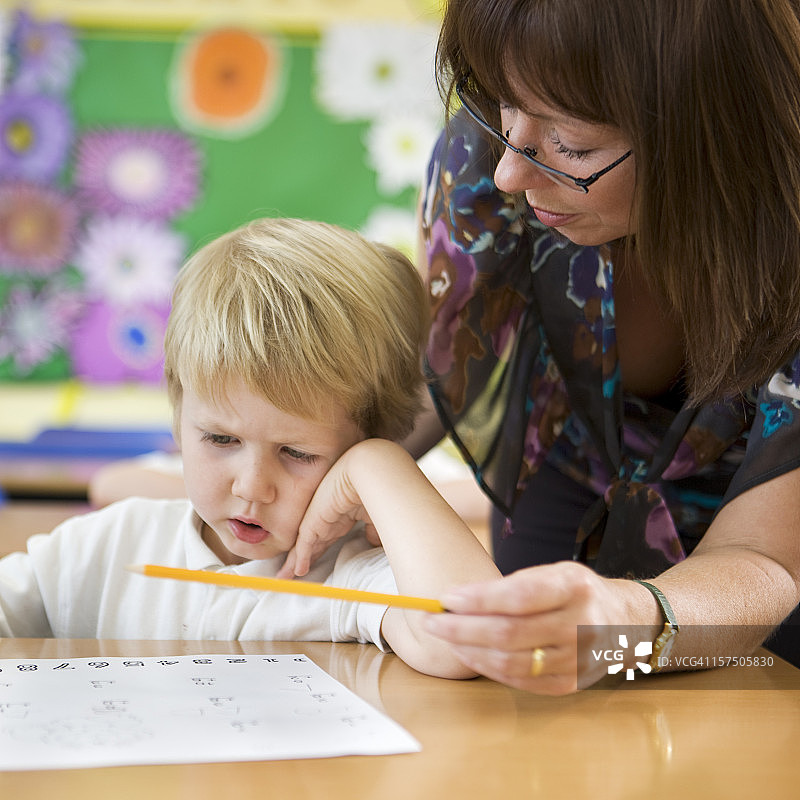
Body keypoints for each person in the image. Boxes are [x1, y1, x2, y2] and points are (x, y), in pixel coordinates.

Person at [286, 0, 800, 694]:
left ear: (712, 126)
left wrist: (625, 619)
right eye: (499, 101)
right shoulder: (492, 163)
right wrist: (262, 473)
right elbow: (440, 376)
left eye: (573, 144)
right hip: (561, 504)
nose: (509, 174)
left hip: (756, 611)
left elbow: (765, 561)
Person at [0, 217, 500, 680]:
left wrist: (378, 463)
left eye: (297, 453)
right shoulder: (103, 549)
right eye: (221, 439)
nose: (252, 487)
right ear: (179, 419)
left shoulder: (356, 571)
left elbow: (468, 641)